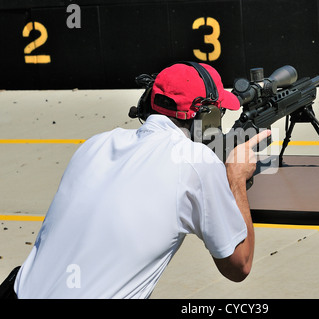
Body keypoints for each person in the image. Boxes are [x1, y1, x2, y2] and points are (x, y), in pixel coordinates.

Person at [12, 62, 271, 299]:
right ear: (206, 116)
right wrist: (235, 177)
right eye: (220, 113)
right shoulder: (196, 160)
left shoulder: (96, 144)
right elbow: (240, 266)